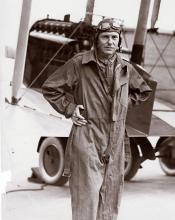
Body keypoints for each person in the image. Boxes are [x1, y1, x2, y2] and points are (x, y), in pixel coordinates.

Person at [42, 18, 152, 220]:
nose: (110, 41)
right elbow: (50, 88)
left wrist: (124, 102)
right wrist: (70, 108)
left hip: (115, 140)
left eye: (114, 37)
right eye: (105, 37)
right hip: (88, 135)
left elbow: (144, 90)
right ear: (96, 40)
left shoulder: (125, 68)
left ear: (119, 41)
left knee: (110, 199)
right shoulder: (79, 63)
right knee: (87, 198)